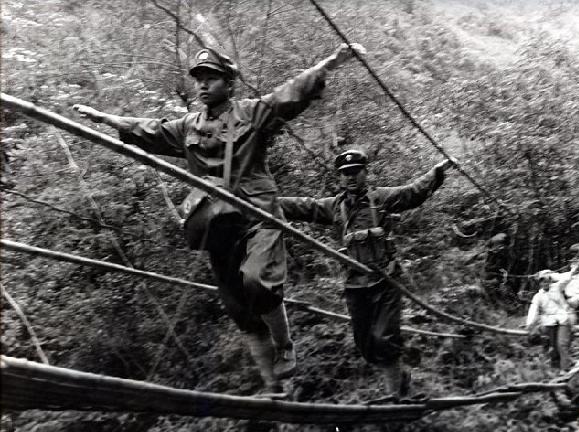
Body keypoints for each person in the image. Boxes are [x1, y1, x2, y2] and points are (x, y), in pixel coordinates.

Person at [74, 43, 366, 396]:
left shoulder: (252, 113)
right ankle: (273, 386)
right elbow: (149, 130)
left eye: (211, 78)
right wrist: (104, 118)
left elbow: (291, 93)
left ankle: (284, 344)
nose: (202, 85)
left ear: (229, 83)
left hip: (257, 214)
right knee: (237, 307)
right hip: (217, 224)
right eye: (198, 78)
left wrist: (331, 62)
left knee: (259, 282)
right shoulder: (188, 126)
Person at [279, 149, 457, 398]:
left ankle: (394, 397)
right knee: (364, 344)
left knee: (385, 339)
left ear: (365, 172)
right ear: (340, 177)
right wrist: (266, 201)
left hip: (385, 281)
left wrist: (437, 171)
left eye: (355, 172)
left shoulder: (382, 198)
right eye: (345, 173)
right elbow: (304, 206)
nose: (350, 177)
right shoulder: (335, 206)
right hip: (355, 285)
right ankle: (401, 377)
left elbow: (412, 193)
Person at [525, 265, 578, 371]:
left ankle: (565, 368)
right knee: (552, 346)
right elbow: (533, 309)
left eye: (546, 281)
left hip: (563, 319)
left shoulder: (558, 287)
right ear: (539, 283)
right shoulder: (538, 296)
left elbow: (567, 278)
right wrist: (529, 324)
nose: (545, 283)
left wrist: (572, 270)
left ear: (550, 281)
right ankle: (556, 367)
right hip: (549, 322)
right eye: (542, 281)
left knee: (562, 344)